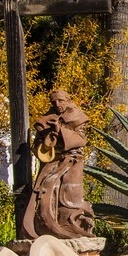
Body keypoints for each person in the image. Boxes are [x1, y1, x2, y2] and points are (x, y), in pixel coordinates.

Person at [19, 90, 95, 239]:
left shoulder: (77, 116)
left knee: (70, 196)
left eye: (60, 100)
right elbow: (38, 146)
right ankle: (47, 228)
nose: (57, 104)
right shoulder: (45, 121)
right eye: (54, 102)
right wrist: (48, 141)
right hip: (52, 162)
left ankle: (71, 227)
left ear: (67, 100)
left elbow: (81, 139)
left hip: (72, 162)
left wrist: (62, 132)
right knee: (45, 192)